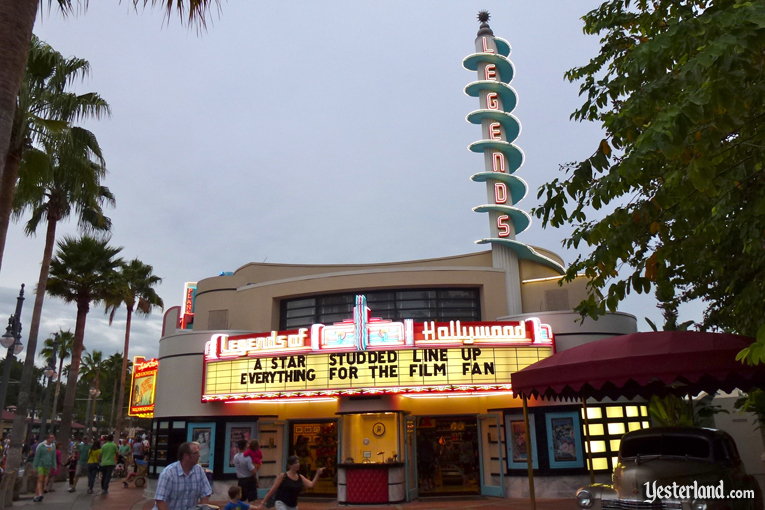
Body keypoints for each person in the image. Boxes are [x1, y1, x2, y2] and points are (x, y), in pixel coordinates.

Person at [153, 441, 212, 510]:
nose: (199, 455)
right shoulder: (168, 473)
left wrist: (203, 508)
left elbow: (205, 494)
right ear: (186, 456)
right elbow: (160, 500)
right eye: (196, 453)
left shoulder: (199, 470)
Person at [258, 456, 325, 510]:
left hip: (293, 505)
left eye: (298, 462)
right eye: (295, 463)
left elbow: (311, 484)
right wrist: (262, 503)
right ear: (290, 466)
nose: (298, 464)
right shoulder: (283, 476)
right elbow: (272, 490)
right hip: (281, 503)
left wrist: (317, 474)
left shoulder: (300, 477)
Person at [32, 434, 56, 502]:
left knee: (43, 481)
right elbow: (37, 456)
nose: (53, 439)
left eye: (53, 438)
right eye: (51, 438)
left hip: (48, 465)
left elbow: (53, 456)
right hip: (41, 465)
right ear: (47, 438)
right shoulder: (41, 445)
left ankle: (36, 496)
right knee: (40, 479)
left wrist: (54, 466)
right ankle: (40, 494)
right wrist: (34, 466)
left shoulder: (53, 446)